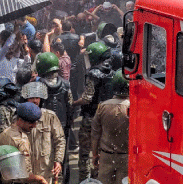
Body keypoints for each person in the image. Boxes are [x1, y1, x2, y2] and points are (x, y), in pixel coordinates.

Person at [71, 42, 113, 181]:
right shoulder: (111, 72)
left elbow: (87, 98)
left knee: (84, 153)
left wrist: (74, 103)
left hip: (91, 118)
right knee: (100, 152)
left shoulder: (93, 74)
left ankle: (84, 180)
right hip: (105, 118)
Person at [18, 83, 65, 184]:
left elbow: (60, 140)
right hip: (27, 174)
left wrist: (58, 160)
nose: (35, 101)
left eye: (37, 98)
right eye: (31, 98)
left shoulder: (50, 117)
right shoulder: (19, 120)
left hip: (46, 172)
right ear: (26, 99)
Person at [91, 72, 129, 184]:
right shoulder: (133, 107)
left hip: (106, 156)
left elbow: (95, 133)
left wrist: (94, 154)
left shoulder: (103, 106)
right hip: (126, 158)